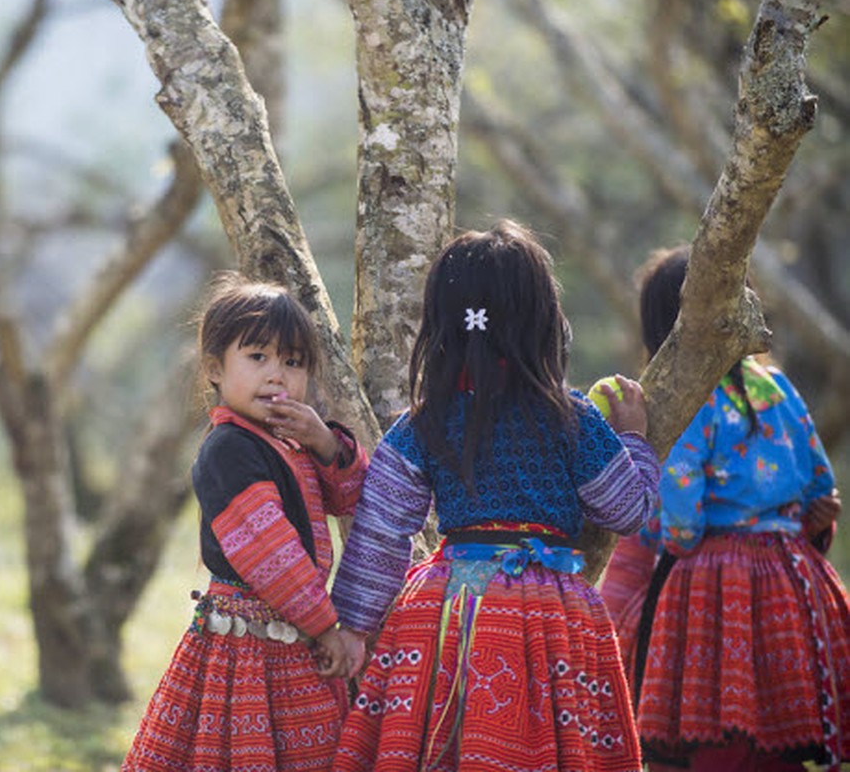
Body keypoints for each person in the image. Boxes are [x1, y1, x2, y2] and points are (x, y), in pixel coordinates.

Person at [330, 220, 660, 772]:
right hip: (550, 622)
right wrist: (635, 441)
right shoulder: (570, 417)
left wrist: (353, 628)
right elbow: (627, 509)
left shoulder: (424, 422)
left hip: (444, 611)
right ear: (541, 321)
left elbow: (381, 535)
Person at [122, 275, 368, 771]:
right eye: (258, 357)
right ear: (214, 368)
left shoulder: (294, 443)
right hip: (248, 646)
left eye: (293, 362)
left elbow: (357, 497)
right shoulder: (228, 450)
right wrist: (326, 629)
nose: (277, 375)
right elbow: (271, 555)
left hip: (296, 638)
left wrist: (325, 443)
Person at [621, 246, 849, 771]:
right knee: (780, 739)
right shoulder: (778, 387)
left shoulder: (686, 399)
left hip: (713, 586)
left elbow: (681, 520)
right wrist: (802, 531)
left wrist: (672, 545)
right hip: (794, 582)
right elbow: (821, 488)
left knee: (718, 731)